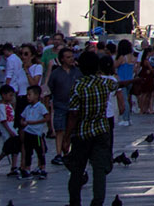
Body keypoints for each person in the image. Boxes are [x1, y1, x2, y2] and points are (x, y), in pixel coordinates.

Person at [63, 47, 118, 206]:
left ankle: (75, 202)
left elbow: (73, 114)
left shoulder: (78, 86)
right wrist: (134, 81)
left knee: (77, 170)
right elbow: (117, 84)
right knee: (99, 171)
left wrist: (67, 137)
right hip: (101, 131)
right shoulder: (104, 83)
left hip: (82, 134)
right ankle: (97, 202)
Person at [47, 45, 80, 163]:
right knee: (60, 129)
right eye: (68, 57)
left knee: (72, 130)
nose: (71, 59)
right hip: (60, 104)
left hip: (74, 106)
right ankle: (58, 153)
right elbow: (50, 87)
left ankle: (69, 151)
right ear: (62, 59)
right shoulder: (56, 73)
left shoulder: (77, 72)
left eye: (72, 57)